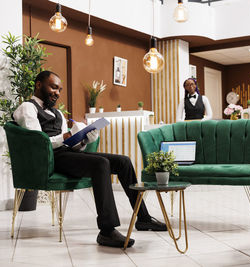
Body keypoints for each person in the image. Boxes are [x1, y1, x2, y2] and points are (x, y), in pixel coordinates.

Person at [13, 71, 167, 248]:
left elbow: (69, 145)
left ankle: (143, 218)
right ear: (38, 84)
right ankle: (107, 231)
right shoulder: (27, 108)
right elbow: (38, 143)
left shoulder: (58, 114)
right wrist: (67, 135)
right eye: (53, 87)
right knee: (101, 164)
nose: (57, 93)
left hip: (66, 154)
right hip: (49, 159)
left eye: (59, 89)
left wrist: (83, 140)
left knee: (123, 161)